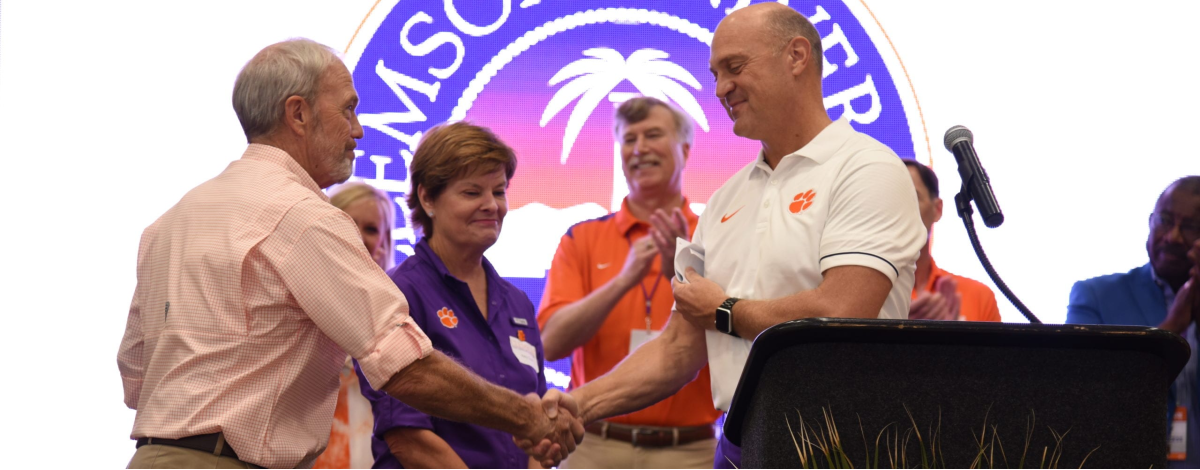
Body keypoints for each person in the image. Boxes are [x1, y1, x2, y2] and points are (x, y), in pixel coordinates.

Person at [117, 38, 581, 470]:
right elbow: (402, 367)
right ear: (298, 114)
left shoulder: (170, 221)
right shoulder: (302, 217)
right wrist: (526, 417)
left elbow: (136, 375)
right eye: (348, 109)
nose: (358, 130)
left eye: (498, 191)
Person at [519, 5, 927, 468]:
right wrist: (579, 405)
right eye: (715, 75)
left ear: (796, 57)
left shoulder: (867, 168)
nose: (720, 89)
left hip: (841, 440)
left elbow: (841, 313)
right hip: (741, 440)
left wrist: (724, 311)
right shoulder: (725, 200)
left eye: (735, 67)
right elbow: (678, 349)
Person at [352, 122, 550, 469]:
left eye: (499, 191)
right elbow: (408, 438)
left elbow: (539, 424)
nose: (491, 205)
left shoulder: (517, 303)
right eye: (472, 193)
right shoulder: (397, 295)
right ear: (427, 198)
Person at [539, 97, 721, 469]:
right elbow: (551, 344)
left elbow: (734, 327)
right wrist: (622, 281)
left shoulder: (715, 235)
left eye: (653, 135)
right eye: (629, 139)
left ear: (685, 150)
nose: (639, 149)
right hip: (594, 444)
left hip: (691, 451)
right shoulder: (582, 239)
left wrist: (679, 272)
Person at [1067, 176, 1200, 468]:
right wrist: (1171, 327)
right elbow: (1077, 393)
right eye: (1165, 220)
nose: (1173, 237)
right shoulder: (1094, 296)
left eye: (1191, 227)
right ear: (1150, 222)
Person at [312, 182, 397, 469]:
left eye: (371, 229)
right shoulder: (298, 299)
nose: (358, 237)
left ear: (385, 243)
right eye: (348, 224)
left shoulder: (398, 310)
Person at [902, 159, 1001, 322]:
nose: (897, 209)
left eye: (912, 197)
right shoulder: (861, 293)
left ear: (937, 209)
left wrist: (953, 335)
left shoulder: (979, 297)